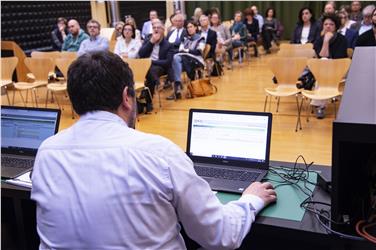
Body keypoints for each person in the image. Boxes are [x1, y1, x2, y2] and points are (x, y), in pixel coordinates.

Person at [30, 50, 277, 249]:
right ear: (127, 97)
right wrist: (251, 200)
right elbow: (221, 237)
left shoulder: (47, 152)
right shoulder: (160, 154)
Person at [313, 14, 347, 119]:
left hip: (339, 69)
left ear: (336, 26)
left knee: (323, 65)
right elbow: (321, 56)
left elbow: (339, 59)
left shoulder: (342, 39)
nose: (328, 26)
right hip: (323, 71)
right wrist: (326, 41)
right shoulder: (320, 39)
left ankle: (319, 105)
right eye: (325, 24)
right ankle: (320, 105)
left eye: (331, 24)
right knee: (323, 62)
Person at [138, 19, 174, 105]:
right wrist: (151, 42)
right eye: (154, 27)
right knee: (149, 72)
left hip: (160, 67)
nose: (156, 29)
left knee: (151, 70)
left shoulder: (168, 45)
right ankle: (156, 83)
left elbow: (168, 62)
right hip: (147, 67)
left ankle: (147, 100)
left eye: (158, 27)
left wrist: (152, 62)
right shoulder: (148, 41)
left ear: (163, 30)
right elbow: (141, 54)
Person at [168, 20, 206, 100]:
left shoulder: (201, 38)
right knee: (175, 58)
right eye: (188, 27)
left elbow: (199, 51)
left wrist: (187, 50)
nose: (189, 29)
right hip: (184, 59)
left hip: (196, 59)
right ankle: (178, 85)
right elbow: (180, 49)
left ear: (195, 27)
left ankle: (177, 87)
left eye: (191, 27)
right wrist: (184, 51)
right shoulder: (185, 39)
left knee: (176, 59)